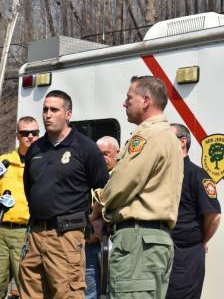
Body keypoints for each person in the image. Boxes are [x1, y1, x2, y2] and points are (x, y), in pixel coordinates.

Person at [90, 75, 183, 299]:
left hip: (137, 241)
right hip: (153, 241)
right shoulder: (168, 136)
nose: (124, 103)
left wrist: (97, 207)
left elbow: (122, 182)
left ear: (146, 100)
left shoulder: (148, 135)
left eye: (129, 98)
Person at [19, 90, 109, 299]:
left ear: (68, 114)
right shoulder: (35, 149)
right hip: (35, 235)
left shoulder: (85, 147)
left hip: (66, 236)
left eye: (54, 110)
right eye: (45, 110)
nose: (47, 115)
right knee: (30, 294)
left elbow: (104, 189)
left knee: (67, 294)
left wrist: (96, 219)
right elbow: (29, 188)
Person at [0, 116, 40, 299]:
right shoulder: (4, 162)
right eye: (24, 133)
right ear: (17, 136)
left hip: (28, 233)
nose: (30, 136)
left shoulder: (44, 162)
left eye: (34, 133)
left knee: (28, 288)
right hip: (1, 231)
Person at [166, 123, 221, 299]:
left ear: (183, 142)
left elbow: (214, 215)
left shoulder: (197, 175)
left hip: (185, 255)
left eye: (167, 138)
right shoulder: (161, 173)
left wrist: (203, 240)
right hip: (161, 252)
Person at [85, 136, 119, 299]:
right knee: (89, 292)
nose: (102, 158)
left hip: (114, 243)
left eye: (106, 154)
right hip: (90, 244)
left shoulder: (121, 178)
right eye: (99, 155)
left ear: (117, 154)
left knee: (114, 291)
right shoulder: (88, 177)